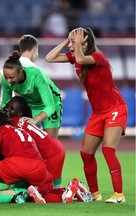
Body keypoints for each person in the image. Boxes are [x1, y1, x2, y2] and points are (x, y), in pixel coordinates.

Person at [45, 27, 127, 203]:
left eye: (74, 41)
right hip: (98, 113)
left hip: (115, 109)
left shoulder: (98, 57)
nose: (71, 45)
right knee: (86, 153)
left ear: (86, 42)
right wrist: (68, 41)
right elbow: (49, 58)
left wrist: (78, 44)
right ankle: (95, 194)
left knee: (107, 150)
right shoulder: (75, 57)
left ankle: (119, 195)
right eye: (71, 41)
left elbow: (82, 58)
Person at [0, 112, 53, 204]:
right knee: (47, 187)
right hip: (39, 166)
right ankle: (63, 194)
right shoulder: (21, 131)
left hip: (16, 164)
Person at [0, 35, 62, 139]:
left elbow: (50, 106)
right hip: (30, 106)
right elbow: (5, 103)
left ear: (21, 72)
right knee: (28, 142)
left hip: (51, 104)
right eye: (6, 77)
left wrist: (35, 119)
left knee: (51, 143)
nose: (8, 81)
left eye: (11, 78)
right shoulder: (6, 80)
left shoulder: (36, 75)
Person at [3, 96, 65, 188]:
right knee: (53, 187)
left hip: (51, 153)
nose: (6, 109)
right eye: (7, 106)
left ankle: (71, 191)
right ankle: (70, 191)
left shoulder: (12, 122)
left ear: (19, 113)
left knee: (47, 191)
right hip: (56, 148)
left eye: (11, 108)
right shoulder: (24, 120)